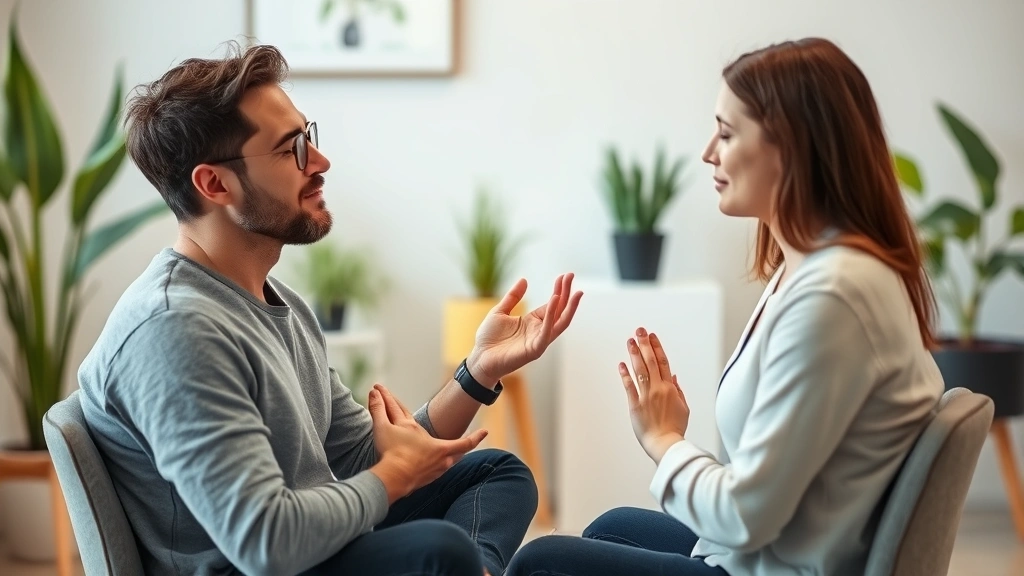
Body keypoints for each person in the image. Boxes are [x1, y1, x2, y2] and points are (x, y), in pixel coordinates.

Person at [77, 42, 582, 576]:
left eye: (308, 137)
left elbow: (365, 456)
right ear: (214, 183)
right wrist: (393, 479)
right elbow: (263, 541)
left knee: (497, 473)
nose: (319, 162)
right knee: (441, 551)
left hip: (316, 548)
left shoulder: (280, 304)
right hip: (266, 564)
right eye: (290, 148)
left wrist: (480, 370)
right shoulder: (174, 330)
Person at [507, 37, 944, 576]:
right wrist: (674, 443)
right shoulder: (814, 267)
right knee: (611, 527)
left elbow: (745, 517)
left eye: (728, 132)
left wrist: (664, 439)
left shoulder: (833, 296)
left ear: (793, 149)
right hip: (777, 551)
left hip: (776, 566)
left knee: (542, 563)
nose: (708, 151)